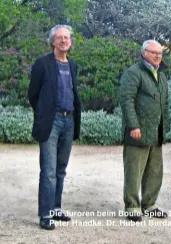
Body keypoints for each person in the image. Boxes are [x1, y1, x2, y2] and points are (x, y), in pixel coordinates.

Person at [28, 25, 81, 230]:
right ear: (52, 42)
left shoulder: (73, 65)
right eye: (59, 38)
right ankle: (45, 214)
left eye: (66, 38)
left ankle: (56, 208)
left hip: (69, 121)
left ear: (70, 41)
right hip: (51, 122)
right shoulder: (42, 64)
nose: (63, 41)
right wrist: (43, 113)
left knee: (60, 169)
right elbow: (33, 94)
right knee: (48, 171)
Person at [120, 40, 169, 222]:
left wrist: (165, 128)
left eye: (160, 53)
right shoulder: (133, 73)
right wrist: (133, 125)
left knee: (155, 170)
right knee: (134, 170)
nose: (157, 55)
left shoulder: (161, 76)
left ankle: (150, 205)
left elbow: (165, 104)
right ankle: (132, 206)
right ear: (143, 53)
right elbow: (127, 101)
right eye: (153, 52)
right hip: (137, 132)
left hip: (156, 132)